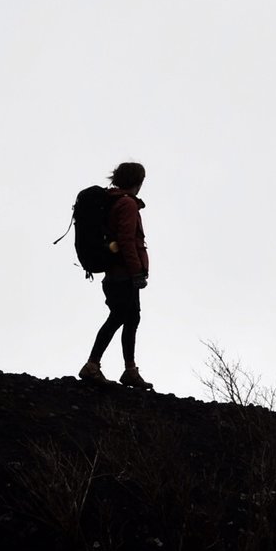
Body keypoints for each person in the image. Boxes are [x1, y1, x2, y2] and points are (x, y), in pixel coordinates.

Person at [80, 162, 153, 389]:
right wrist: (137, 272)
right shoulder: (127, 204)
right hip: (124, 274)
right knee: (119, 317)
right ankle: (92, 365)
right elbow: (127, 241)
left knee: (130, 318)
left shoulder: (112, 202)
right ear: (137, 181)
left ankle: (130, 370)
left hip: (115, 273)